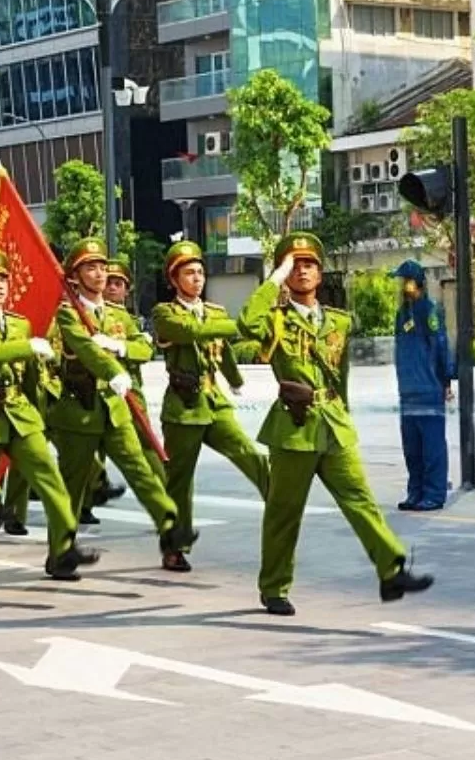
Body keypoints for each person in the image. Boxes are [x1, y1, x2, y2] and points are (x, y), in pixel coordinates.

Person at [240, 232, 432, 617]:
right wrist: (273, 281)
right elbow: (247, 324)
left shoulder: (338, 322)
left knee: (360, 500)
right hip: (293, 427)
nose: (303, 270)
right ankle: (274, 587)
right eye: (294, 265)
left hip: (332, 423)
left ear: (321, 272)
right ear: (284, 273)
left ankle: (390, 569)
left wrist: (342, 411)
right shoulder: (275, 320)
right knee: (284, 511)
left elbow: (340, 374)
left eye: (309, 263)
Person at [0, 249, 98, 593]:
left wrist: (39, 414)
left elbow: (30, 377)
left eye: (3, 279)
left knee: (51, 479)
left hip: (20, 413)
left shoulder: (19, 324)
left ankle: (64, 547)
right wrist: (27, 347)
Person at [45, 238, 188, 564]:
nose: (98, 274)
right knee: (72, 485)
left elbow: (144, 349)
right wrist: (112, 369)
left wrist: (120, 348)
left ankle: (170, 525)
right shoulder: (68, 315)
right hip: (79, 409)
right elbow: (86, 351)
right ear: (75, 275)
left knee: (139, 469)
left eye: (101, 267)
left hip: (114, 406)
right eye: (89, 268)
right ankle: (60, 552)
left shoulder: (117, 314)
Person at [153, 240, 270, 572]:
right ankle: (174, 546)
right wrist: (241, 324)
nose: (197, 278)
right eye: (189, 273)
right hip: (183, 406)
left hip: (214, 402)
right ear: (174, 280)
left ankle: (278, 498)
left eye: (200, 272)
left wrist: (235, 379)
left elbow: (225, 350)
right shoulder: (165, 314)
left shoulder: (215, 312)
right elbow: (192, 332)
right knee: (180, 480)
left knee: (247, 452)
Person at [392, 260, 456, 512]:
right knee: (412, 448)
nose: (400, 287)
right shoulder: (402, 314)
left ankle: (434, 494)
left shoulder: (429, 310)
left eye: (403, 281)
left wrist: (446, 380)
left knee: (432, 447)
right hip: (407, 392)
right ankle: (415, 492)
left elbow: (441, 345)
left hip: (429, 390)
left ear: (415, 282)